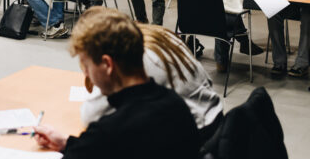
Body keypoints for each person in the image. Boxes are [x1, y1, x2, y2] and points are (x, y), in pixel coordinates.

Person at [0, 7, 200, 159]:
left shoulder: (110, 132)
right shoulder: (173, 104)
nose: (85, 74)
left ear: (107, 64)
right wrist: (67, 143)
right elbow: (115, 157)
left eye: (85, 65)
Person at [81, 23, 223, 140]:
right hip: (212, 116)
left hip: (197, 133)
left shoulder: (142, 56)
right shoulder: (159, 35)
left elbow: (92, 114)